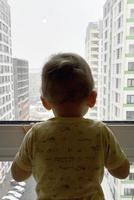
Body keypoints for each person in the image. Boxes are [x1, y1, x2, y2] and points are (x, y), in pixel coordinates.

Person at [11, 53, 130, 200]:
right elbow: (122, 172)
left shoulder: (36, 134)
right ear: (92, 99)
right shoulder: (100, 132)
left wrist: (30, 141)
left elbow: (18, 175)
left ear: (45, 102)